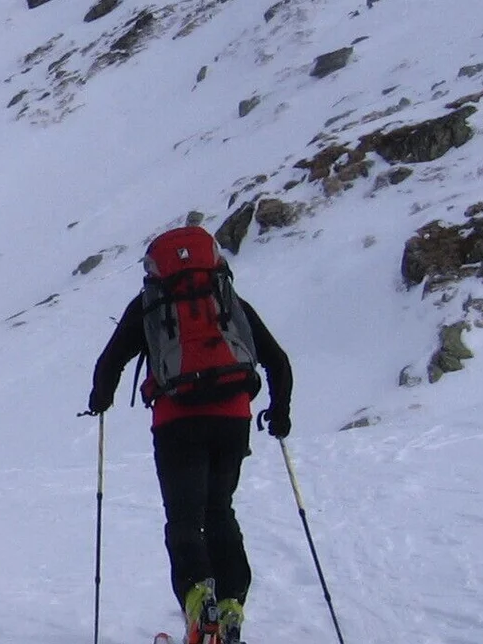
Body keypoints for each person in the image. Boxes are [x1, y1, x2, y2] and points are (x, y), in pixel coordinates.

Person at [87, 226, 292, 644]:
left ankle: (200, 604)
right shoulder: (227, 303)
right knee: (220, 510)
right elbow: (277, 360)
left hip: (177, 422)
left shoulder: (150, 305)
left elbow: (109, 363)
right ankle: (232, 604)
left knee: (184, 517)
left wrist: (100, 399)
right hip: (232, 419)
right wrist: (280, 411)